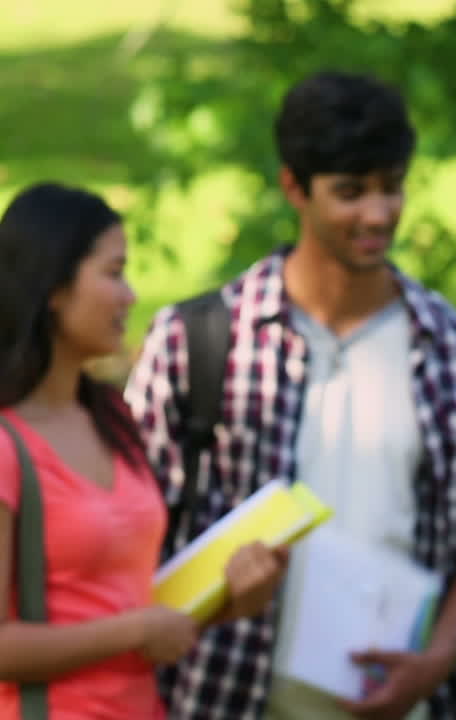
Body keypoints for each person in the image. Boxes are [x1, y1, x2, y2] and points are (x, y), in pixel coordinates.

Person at [125, 71, 456, 720]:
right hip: (224, 698)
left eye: (392, 187)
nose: (378, 213)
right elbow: (132, 542)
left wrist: (437, 659)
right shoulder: (193, 345)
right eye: (351, 192)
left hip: (407, 702)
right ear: (293, 188)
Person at [0, 183, 284, 719]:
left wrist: (231, 597)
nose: (130, 295)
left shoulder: (112, 418)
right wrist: (133, 630)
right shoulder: (7, 444)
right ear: (53, 287)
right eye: (113, 273)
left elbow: (127, 601)